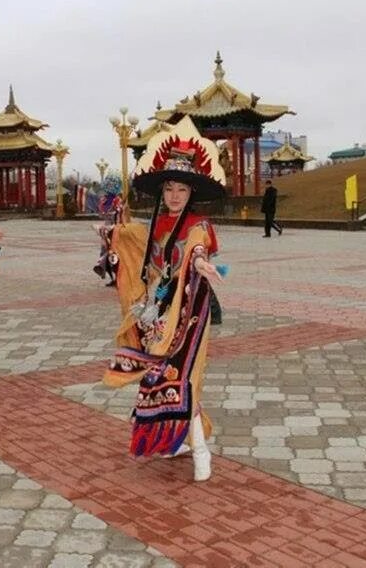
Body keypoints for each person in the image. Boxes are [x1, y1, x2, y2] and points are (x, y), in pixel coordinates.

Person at [102, 116, 225, 482]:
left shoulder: (198, 224)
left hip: (189, 311)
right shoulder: (154, 225)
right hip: (158, 315)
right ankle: (182, 439)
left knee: (185, 378)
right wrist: (111, 232)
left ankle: (201, 450)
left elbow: (198, 245)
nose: (174, 196)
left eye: (182, 190)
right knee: (159, 377)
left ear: (191, 194)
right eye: (169, 188)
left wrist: (200, 262)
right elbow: (132, 241)